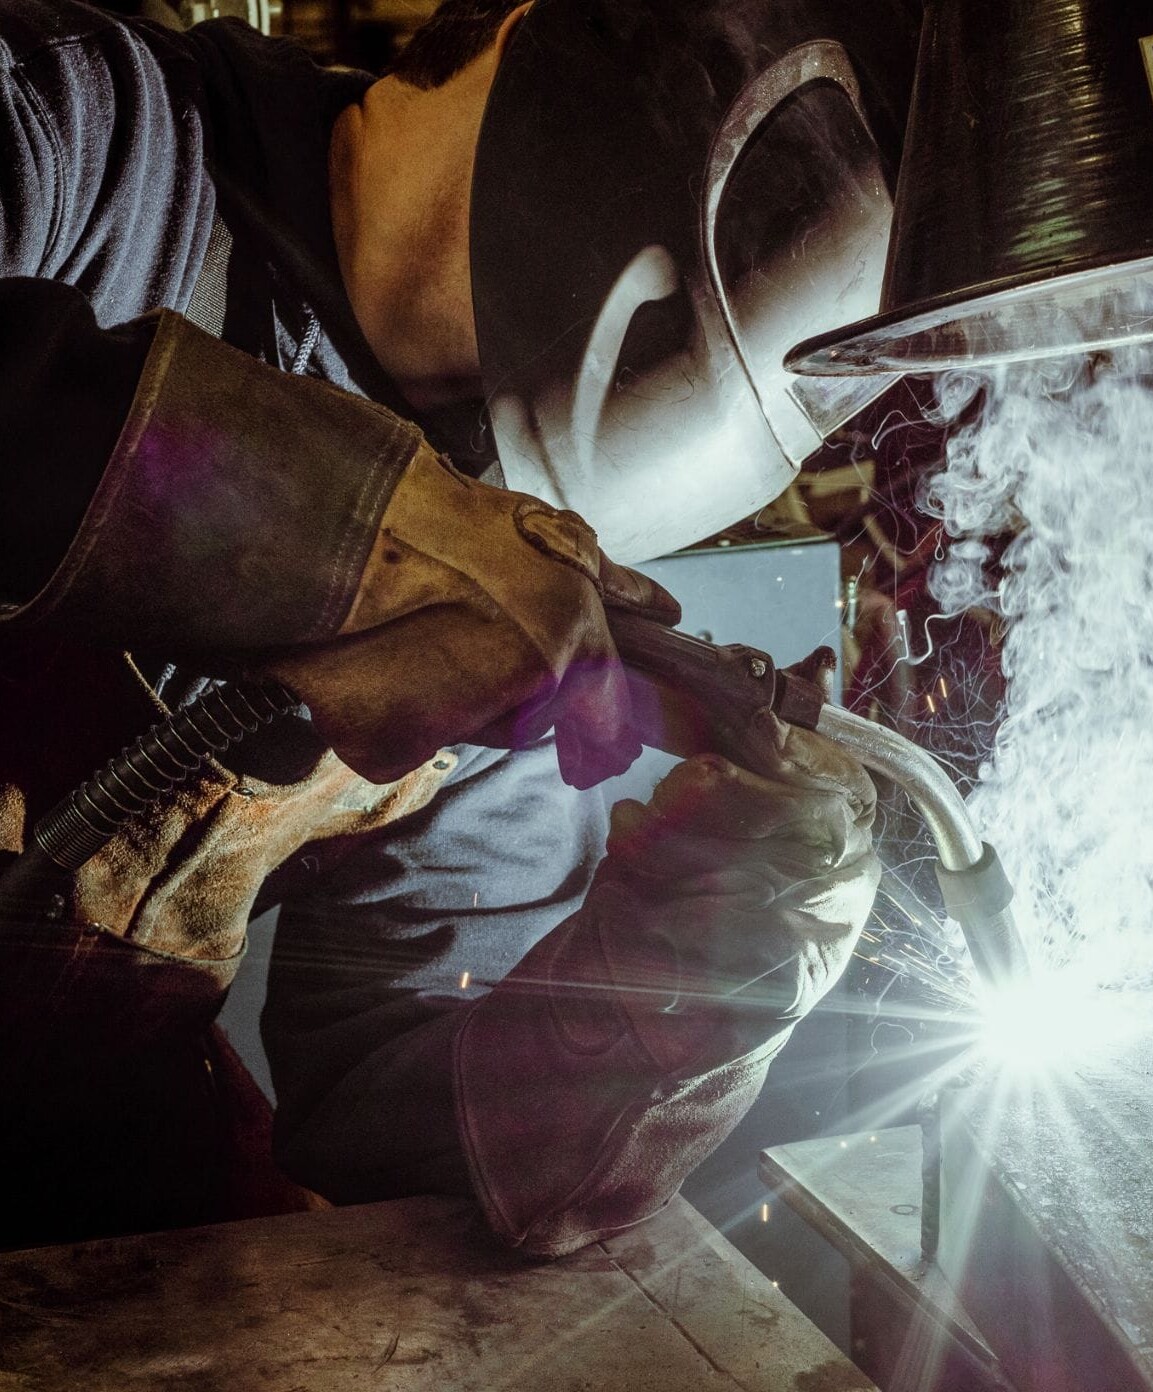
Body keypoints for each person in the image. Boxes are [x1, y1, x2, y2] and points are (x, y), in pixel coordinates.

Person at [0, 0, 915, 1252]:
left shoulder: (518, 581)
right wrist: (350, 540)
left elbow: (397, 1128)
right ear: (527, 45)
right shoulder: (70, 137)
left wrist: (677, 986)